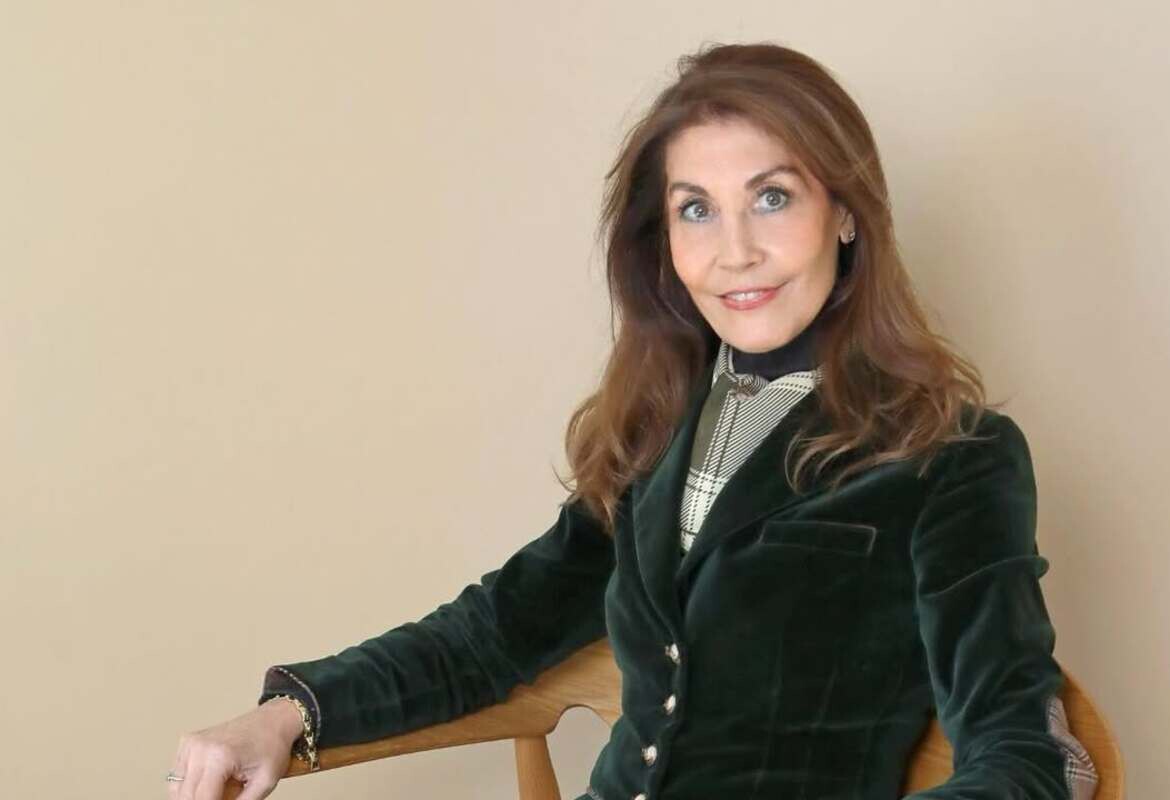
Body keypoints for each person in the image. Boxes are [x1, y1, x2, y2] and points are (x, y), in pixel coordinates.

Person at [167, 41, 1100, 800]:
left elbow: (1027, 760)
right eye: (697, 211)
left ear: (846, 214)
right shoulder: (659, 426)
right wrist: (289, 713)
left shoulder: (952, 456)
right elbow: (496, 633)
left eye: (772, 197)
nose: (735, 251)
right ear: (665, 242)